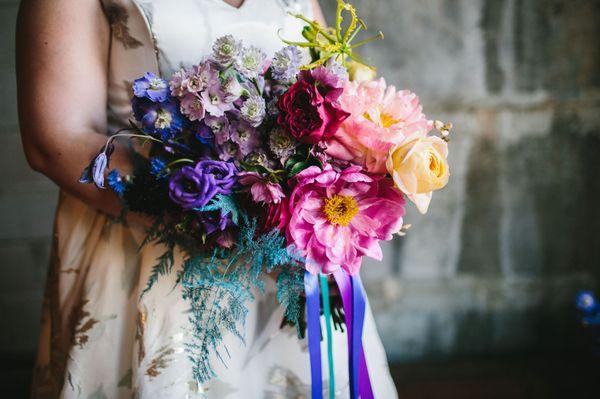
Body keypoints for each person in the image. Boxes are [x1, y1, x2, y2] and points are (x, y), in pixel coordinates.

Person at [17, 0, 398, 397]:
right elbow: (56, 140)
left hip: (285, 252)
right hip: (147, 251)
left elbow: (327, 89)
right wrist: (217, 209)